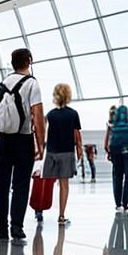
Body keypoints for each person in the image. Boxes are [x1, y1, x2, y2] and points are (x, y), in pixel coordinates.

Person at [0, 49, 44, 245]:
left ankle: (1, 229)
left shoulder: (2, 84)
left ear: (12, 63)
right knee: (21, 185)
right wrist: (41, 145)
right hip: (23, 140)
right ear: (29, 61)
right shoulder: (32, 83)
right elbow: (37, 116)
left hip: (1, 140)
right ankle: (17, 227)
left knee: (1, 185)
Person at [41, 83, 82, 227]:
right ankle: (61, 215)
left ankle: (39, 209)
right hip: (66, 153)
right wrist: (79, 150)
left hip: (51, 152)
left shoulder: (50, 114)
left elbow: (43, 131)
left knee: (47, 181)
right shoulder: (73, 114)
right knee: (64, 185)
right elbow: (77, 135)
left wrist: (41, 148)